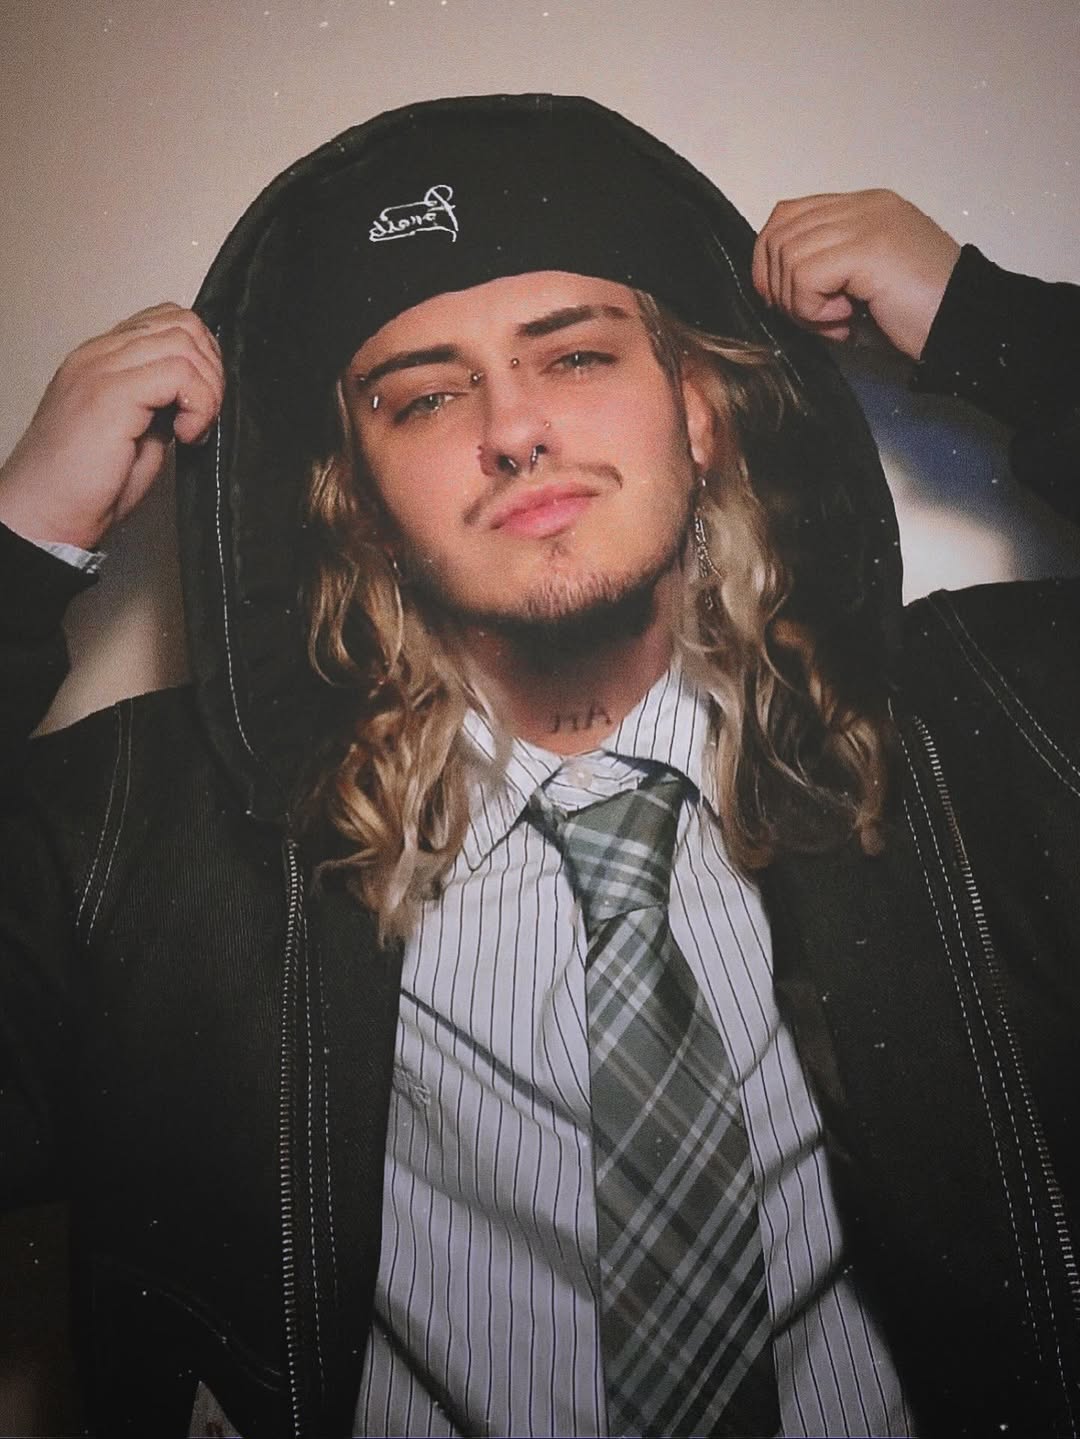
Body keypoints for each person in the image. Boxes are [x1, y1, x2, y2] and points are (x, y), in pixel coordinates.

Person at [1, 94, 1078, 1439]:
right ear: (357, 497)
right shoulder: (142, 831)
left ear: (700, 413)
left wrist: (994, 326)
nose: (514, 429)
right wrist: (20, 545)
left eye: (574, 357)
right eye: (427, 396)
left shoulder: (980, 732)